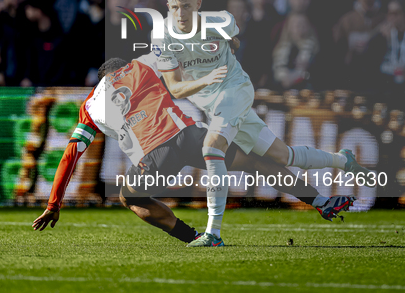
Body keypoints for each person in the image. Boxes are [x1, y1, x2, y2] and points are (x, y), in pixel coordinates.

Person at [32, 54, 356, 244]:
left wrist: (54, 203)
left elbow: (70, 154)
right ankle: (321, 201)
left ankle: (192, 237)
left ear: (101, 79)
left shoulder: (91, 104)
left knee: (129, 197)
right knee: (258, 162)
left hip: (153, 157)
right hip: (188, 135)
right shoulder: (143, 64)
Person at [152, 0, 372, 246]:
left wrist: (227, 49)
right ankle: (343, 160)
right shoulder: (161, 36)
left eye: (186, 5)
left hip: (235, 91)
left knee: (211, 148)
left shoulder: (221, 21)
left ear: (198, 4)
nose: (180, 12)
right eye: (174, 6)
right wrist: (208, 77)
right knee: (283, 155)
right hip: (212, 102)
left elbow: (235, 40)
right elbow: (174, 88)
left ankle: (213, 234)